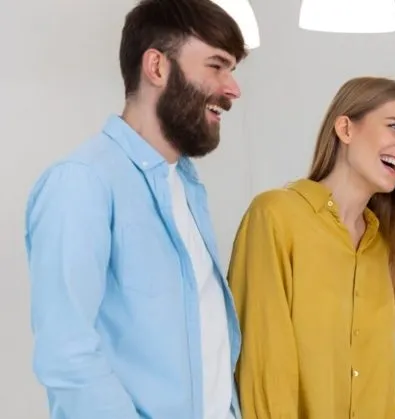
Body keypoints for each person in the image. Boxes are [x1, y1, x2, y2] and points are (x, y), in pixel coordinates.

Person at [23, 1, 249, 418]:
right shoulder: (82, 182)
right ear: (157, 67)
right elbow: (66, 354)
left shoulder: (185, 186)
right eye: (217, 66)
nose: (233, 88)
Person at [227, 76, 395, 419]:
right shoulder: (276, 216)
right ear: (345, 129)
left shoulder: (380, 246)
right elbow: (264, 366)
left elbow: (376, 381)